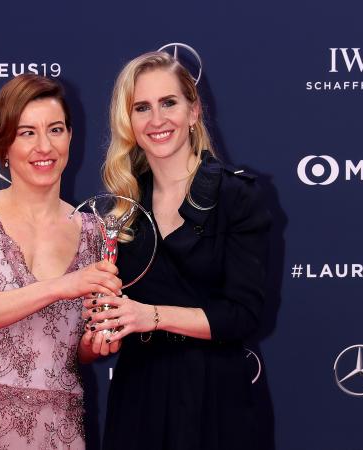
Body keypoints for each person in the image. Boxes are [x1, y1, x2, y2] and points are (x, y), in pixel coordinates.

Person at [83, 52, 272, 449]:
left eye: (169, 102)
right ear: (129, 122)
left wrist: (149, 316)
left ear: (193, 110)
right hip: (139, 396)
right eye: (142, 108)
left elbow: (244, 316)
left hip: (214, 399)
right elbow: (111, 317)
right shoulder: (121, 207)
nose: (157, 120)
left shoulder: (238, 197)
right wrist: (104, 333)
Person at [0, 74, 122, 449]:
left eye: (55, 129)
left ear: (70, 136)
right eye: (27, 133)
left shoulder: (94, 231)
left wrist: (95, 341)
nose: (44, 146)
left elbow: (77, 348)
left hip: (55, 427)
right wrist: (60, 287)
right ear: (4, 143)